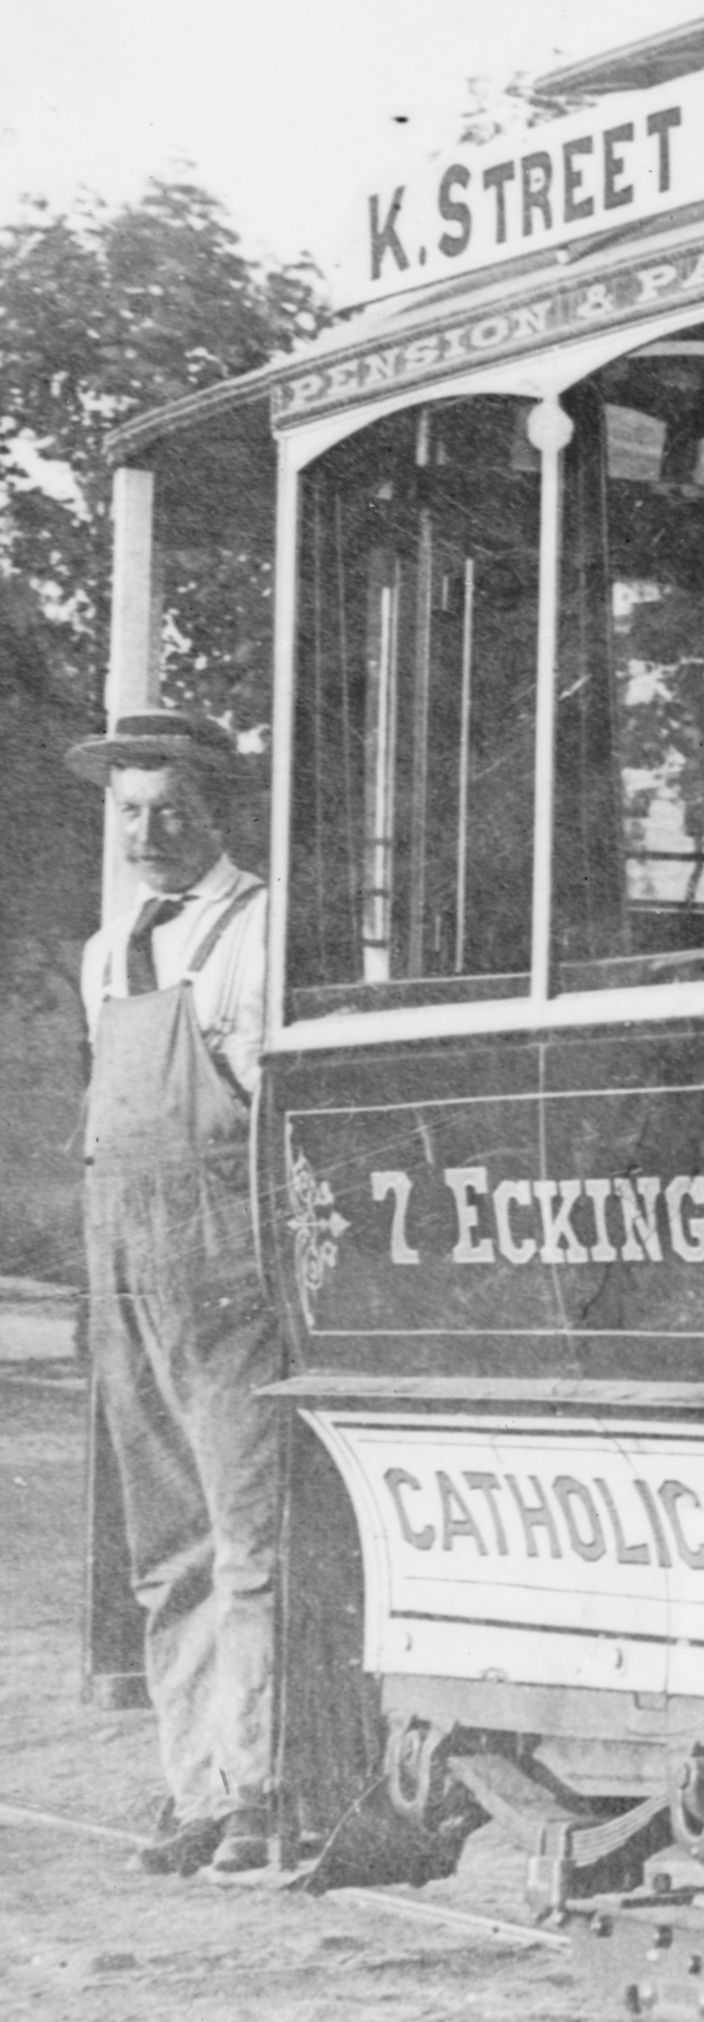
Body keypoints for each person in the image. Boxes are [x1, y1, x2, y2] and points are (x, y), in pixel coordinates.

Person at [75, 707, 298, 1880]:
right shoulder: (109, 951)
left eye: (170, 808)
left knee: (246, 1533)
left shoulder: (258, 928)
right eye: (129, 811)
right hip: (124, 1261)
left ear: (215, 810)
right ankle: (195, 1786)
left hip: (222, 1260)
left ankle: (259, 1787)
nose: (150, 831)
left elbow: (270, 1115)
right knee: (165, 1545)